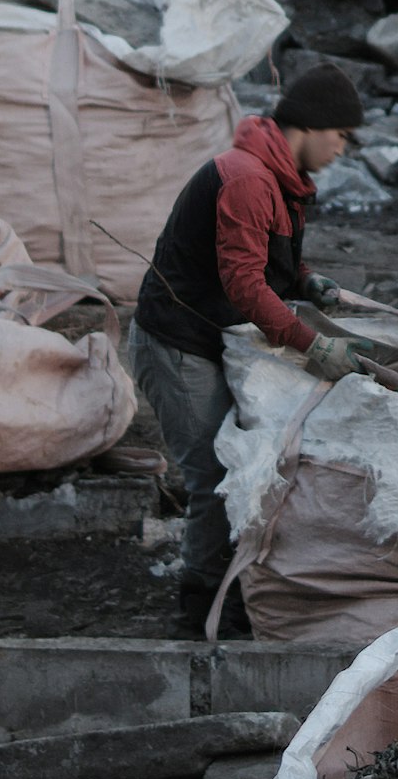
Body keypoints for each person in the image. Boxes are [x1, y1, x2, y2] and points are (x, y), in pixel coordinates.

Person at [130, 61, 369, 634]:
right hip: (177, 343)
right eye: (341, 136)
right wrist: (314, 347)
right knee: (216, 476)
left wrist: (306, 280)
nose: (342, 151)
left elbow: (265, 256)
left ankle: (233, 590)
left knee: (241, 464)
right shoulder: (248, 178)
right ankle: (201, 610)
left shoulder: (277, 180)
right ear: (311, 126)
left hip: (203, 339)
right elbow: (244, 285)